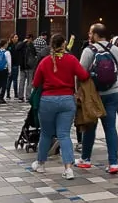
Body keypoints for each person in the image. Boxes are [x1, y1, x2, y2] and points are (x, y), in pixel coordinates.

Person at [32, 33, 90, 179]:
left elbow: (35, 83)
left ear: (51, 45)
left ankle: (41, 163)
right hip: (67, 100)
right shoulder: (71, 60)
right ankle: (68, 168)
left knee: (45, 134)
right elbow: (83, 75)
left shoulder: (45, 61)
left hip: (47, 100)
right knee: (64, 134)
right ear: (64, 44)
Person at [76, 23, 118, 174]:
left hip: (93, 96)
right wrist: (117, 88)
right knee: (110, 128)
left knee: (90, 127)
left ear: (96, 35)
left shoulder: (89, 51)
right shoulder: (115, 49)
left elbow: (81, 73)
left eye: (90, 33)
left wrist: (78, 91)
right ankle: (113, 163)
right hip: (113, 93)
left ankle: (86, 159)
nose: (89, 36)